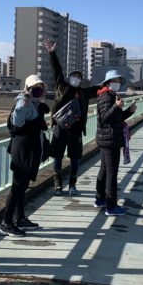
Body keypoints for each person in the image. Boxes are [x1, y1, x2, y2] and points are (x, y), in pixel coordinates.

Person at [42, 38, 102, 196]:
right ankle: (57, 185)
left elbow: (98, 89)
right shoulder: (61, 86)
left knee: (75, 158)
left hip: (76, 130)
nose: (77, 78)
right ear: (69, 77)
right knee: (57, 156)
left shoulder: (83, 92)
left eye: (79, 77)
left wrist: (109, 84)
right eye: (74, 76)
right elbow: (57, 70)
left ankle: (72, 185)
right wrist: (52, 53)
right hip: (59, 127)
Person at [0, 75, 50, 237]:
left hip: (29, 150)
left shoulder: (35, 104)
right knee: (17, 186)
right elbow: (17, 122)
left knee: (22, 186)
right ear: (27, 88)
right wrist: (24, 102)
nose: (39, 90)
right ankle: (6, 223)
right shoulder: (23, 102)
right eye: (35, 88)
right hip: (22, 151)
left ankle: (20, 218)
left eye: (41, 88)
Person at [94, 70, 136, 216]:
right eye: (115, 81)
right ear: (107, 82)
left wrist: (129, 111)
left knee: (105, 170)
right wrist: (116, 107)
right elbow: (105, 117)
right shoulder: (105, 96)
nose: (117, 83)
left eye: (119, 81)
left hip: (109, 138)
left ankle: (100, 199)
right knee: (111, 172)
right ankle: (111, 206)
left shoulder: (112, 95)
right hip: (109, 139)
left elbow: (116, 118)